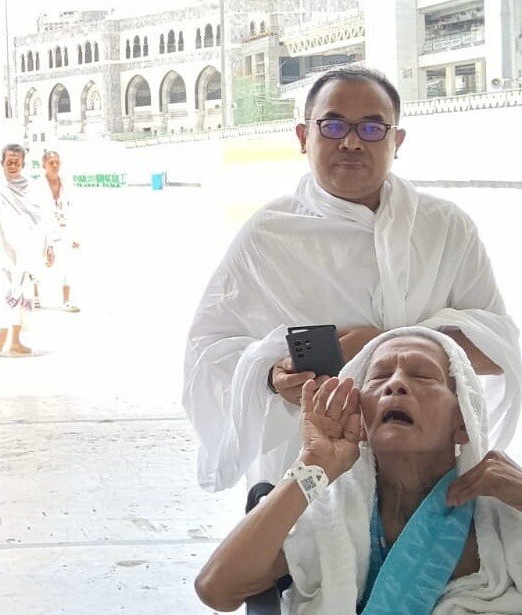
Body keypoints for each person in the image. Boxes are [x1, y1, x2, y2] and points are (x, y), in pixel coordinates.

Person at [182, 67, 521, 494]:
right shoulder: (268, 235)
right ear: (303, 136)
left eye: (372, 128)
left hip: (427, 470)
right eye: (333, 125)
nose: (352, 142)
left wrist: (383, 346)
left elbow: (498, 349)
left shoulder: (445, 227)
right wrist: (271, 375)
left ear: (397, 141)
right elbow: (208, 352)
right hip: (310, 470)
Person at [197, 328, 522, 615]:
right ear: (360, 413)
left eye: (422, 375)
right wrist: (313, 465)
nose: (396, 384)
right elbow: (217, 588)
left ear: (463, 420)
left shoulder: (499, 507)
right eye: (379, 376)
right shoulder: (328, 509)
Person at [0, 143, 52, 356]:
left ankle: (16, 341)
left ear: (23, 164)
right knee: (5, 293)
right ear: (2, 163)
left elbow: (41, 219)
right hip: (0, 249)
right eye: (9, 162)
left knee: (23, 293)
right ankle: (2, 334)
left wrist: (48, 246)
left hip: (26, 250)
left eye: (16, 162)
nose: (12, 166)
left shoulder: (31, 189)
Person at [40, 150, 80, 313]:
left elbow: (73, 209)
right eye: (51, 163)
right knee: (40, 265)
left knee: (67, 267)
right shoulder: (37, 186)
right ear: (44, 165)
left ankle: (66, 301)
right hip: (43, 231)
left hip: (64, 230)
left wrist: (75, 235)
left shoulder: (67, 184)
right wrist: (47, 241)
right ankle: (35, 298)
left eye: (57, 162)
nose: (55, 165)